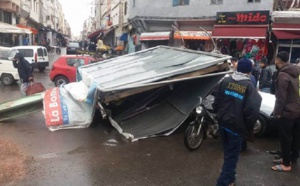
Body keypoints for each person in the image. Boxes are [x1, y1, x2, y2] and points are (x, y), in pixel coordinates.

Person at [213, 58, 262, 186]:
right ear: (249, 71)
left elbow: (216, 100)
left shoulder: (226, 81)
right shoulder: (249, 86)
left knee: (229, 154)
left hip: (223, 123)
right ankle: (223, 182)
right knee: (231, 156)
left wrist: (219, 114)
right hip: (236, 128)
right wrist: (248, 127)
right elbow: (252, 111)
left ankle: (230, 179)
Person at [271, 51, 300, 172]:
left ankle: (286, 164)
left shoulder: (282, 75)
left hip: (287, 112)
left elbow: (281, 97)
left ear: (278, 60)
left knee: (285, 138)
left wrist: (277, 112)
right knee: (295, 137)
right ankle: (291, 158)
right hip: (297, 109)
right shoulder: (295, 71)